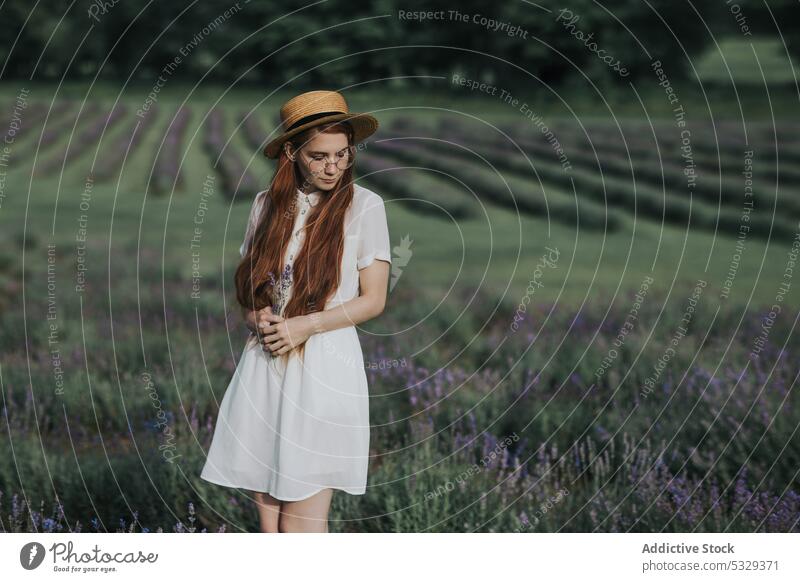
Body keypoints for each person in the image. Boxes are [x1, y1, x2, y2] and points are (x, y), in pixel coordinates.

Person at [200, 90, 392, 533]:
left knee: (303, 524)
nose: (333, 167)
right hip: (266, 362)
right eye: (319, 156)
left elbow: (373, 299)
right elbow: (253, 291)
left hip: (324, 364)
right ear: (291, 153)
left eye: (342, 155)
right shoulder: (265, 206)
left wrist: (306, 325)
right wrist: (258, 318)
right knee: (269, 521)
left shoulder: (365, 206)